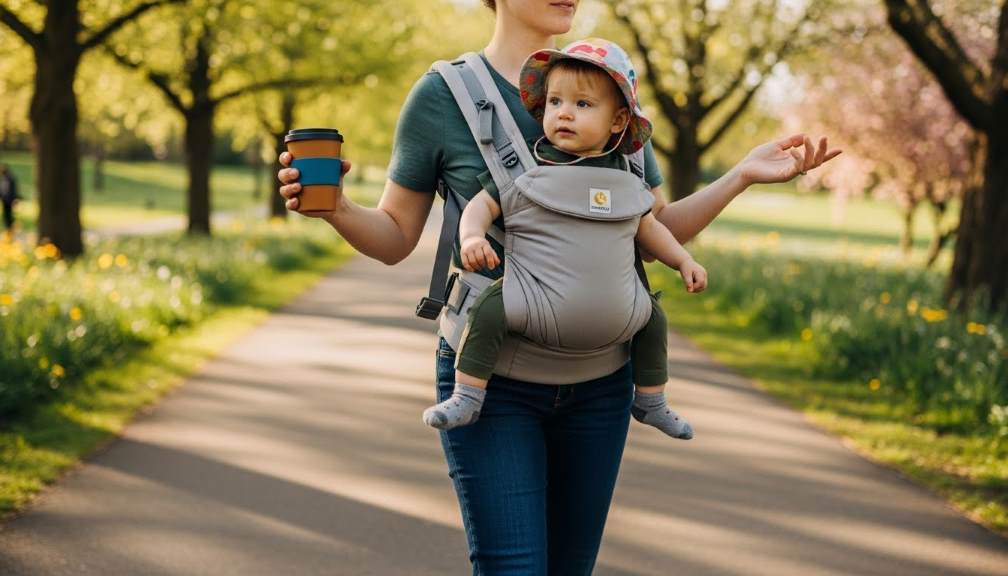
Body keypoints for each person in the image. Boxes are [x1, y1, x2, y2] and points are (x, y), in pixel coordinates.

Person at [277, 1, 841, 572]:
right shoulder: (442, 96)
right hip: (491, 383)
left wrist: (741, 175)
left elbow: (651, 232)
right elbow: (397, 237)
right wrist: (337, 208)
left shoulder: (611, 84)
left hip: (601, 385)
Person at [421, 39, 703, 443]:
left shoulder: (625, 177)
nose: (563, 113)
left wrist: (683, 262)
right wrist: (471, 237)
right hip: (529, 301)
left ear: (619, 121)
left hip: (617, 317)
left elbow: (650, 229)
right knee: (489, 309)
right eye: (554, 102)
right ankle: (467, 393)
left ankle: (651, 399)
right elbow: (483, 205)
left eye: (583, 105)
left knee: (653, 318)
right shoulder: (529, 168)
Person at [0, 164, 19, 233]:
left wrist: (14, 199)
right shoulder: (3, 178)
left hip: (9, 200)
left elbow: (13, 190)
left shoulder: (10, 178)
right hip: (4, 200)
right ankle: (8, 228)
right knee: (5, 215)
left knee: (9, 215)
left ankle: (10, 228)